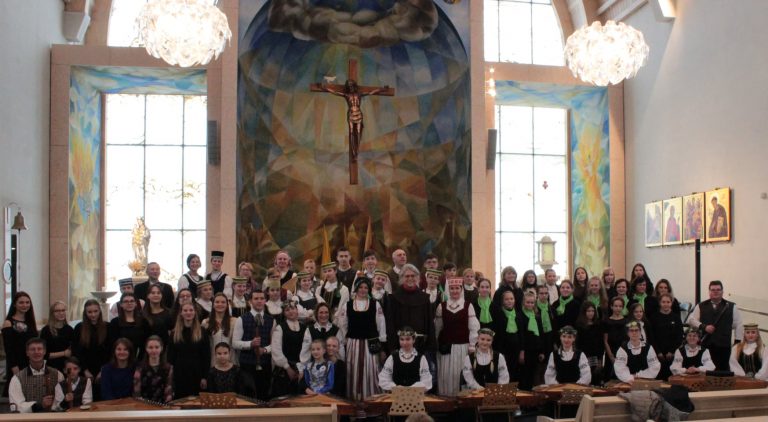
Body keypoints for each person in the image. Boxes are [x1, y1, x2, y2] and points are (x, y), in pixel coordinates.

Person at [337, 278, 386, 400]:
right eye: (360, 287)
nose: (363, 290)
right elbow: (342, 323)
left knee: (371, 370)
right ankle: (354, 399)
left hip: (371, 344)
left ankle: (371, 399)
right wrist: (346, 338)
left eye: (366, 288)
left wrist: (382, 343)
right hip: (353, 343)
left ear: (369, 289)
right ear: (356, 289)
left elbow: (381, 324)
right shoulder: (348, 305)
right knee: (352, 370)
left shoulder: (375, 304)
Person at [435, 277, 479, 396]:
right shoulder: (441, 306)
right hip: (446, 348)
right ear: (448, 290)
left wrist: (472, 345)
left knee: (461, 373)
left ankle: (461, 400)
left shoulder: (468, 306)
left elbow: (473, 328)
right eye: (452, 288)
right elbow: (437, 327)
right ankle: (446, 400)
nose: (454, 291)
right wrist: (435, 342)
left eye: (457, 288)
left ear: (461, 289)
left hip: (462, 347)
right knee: (445, 374)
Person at [688, 280, 743, 371]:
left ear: (722, 291)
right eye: (713, 290)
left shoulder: (732, 306)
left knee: (723, 372)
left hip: (724, 346)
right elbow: (691, 320)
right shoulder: (700, 306)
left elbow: (738, 324)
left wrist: (737, 343)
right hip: (706, 346)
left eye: (718, 289)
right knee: (705, 372)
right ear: (709, 291)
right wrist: (704, 327)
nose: (715, 292)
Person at [232, 290, 275, 401]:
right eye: (256, 299)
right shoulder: (241, 319)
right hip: (247, 365)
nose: (259, 301)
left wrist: (264, 350)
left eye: (261, 298)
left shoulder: (271, 320)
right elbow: (235, 343)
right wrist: (250, 344)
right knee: (248, 396)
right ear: (250, 301)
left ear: (265, 300)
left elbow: (275, 344)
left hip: (265, 364)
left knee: (263, 396)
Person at [386, 264, 436, 356]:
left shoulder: (425, 298)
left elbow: (430, 323)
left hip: (420, 345)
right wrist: (392, 347)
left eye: (413, 276)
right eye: (407, 276)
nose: (410, 278)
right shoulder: (393, 298)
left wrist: (430, 345)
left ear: (418, 278)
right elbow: (390, 324)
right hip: (399, 344)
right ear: (401, 278)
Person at [9, 338, 63, 413]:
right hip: (29, 418)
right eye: (32, 349)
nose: (36, 352)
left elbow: (61, 402)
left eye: (39, 349)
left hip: (53, 417)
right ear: (27, 353)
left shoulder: (57, 374)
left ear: (44, 351)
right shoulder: (17, 378)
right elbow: (16, 406)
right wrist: (40, 405)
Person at [168, 303, 210, 398]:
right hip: (179, 373)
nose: (188, 313)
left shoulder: (202, 331)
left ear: (195, 313)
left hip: (197, 372)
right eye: (185, 310)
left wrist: (204, 377)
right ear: (181, 313)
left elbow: (206, 356)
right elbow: (170, 357)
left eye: (191, 310)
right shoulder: (174, 333)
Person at [3, 292, 39, 396]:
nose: (25, 305)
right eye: (21, 302)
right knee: (16, 393)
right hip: (16, 364)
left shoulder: (30, 321)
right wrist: (15, 368)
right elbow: (9, 349)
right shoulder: (8, 323)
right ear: (14, 304)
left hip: (31, 362)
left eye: (27, 302)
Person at [271, 302, 309, 397]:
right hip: (284, 370)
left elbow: (307, 350)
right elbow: (276, 350)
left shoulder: (305, 328)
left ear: (297, 310)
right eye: (287, 310)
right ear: (284, 313)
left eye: (292, 308)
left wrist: (301, 369)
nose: (291, 311)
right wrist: (287, 368)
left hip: (301, 368)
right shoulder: (280, 328)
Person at [378, 327, 432, 392]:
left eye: (408, 339)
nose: (404, 343)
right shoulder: (392, 357)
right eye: (402, 339)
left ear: (413, 340)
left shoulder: (421, 358)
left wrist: (411, 389)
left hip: (414, 395)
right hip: (396, 395)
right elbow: (383, 379)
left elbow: (427, 382)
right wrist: (396, 387)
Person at [73, 299, 110, 381]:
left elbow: (110, 351)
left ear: (100, 311)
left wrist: (102, 370)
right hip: (84, 370)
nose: (93, 314)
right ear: (85, 313)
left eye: (95, 311)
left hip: (104, 370)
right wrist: (85, 370)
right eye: (89, 312)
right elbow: (77, 351)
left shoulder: (108, 327)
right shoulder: (79, 328)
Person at [650, 293, 683, 380]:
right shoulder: (654, 317)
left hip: (672, 354)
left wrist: (672, 351)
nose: (666, 304)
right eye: (663, 302)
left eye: (668, 302)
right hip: (657, 354)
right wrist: (658, 352)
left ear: (671, 303)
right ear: (659, 303)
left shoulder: (676, 318)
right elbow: (651, 337)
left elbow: (679, 336)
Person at [493, 290, 523, 384]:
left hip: (516, 351)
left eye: (511, 298)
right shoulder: (499, 314)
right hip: (503, 351)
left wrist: (522, 351)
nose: (509, 301)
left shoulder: (518, 315)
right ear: (502, 301)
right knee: (503, 374)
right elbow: (498, 335)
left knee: (514, 374)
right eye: (506, 299)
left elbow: (521, 334)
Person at [108, 293, 149, 360]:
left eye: (132, 301)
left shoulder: (143, 322)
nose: (129, 303)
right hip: (120, 358)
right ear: (121, 304)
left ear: (136, 304)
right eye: (126, 301)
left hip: (139, 359)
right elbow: (113, 344)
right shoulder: (115, 323)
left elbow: (146, 342)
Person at [133, 336, 173, 403]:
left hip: (162, 405)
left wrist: (167, 405)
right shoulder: (139, 367)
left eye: (157, 347)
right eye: (150, 347)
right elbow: (136, 391)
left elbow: (169, 389)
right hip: (143, 405)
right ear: (146, 349)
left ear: (161, 348)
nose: (154, 350)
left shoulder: (168, 368)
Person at [519, 291, 545, 390]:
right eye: (528, 302)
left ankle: (530, 395)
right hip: (526, 350)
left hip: (535, 349)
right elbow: (521, 335)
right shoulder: (520, 316)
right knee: (524, 374)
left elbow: (541, 334)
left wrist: (541, 351)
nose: (530, 304)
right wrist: (522, 351)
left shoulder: (537, 316)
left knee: (532, 374)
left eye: (532, 302)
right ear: (523, 302)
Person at [202, 293, 237, 365]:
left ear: (227, 305)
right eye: (217, 302)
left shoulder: (235, 321)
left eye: (223, 302)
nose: (220, 304)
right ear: (213, 305)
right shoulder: (206, 323)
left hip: (231, 360)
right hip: (213, 361)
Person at [40, 301, 73, 372]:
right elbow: (43, 354)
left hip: (67, 367)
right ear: (52, 313)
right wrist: (64, 353)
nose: (61, 313)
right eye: (57, 311)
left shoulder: (69, 329)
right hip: (51, 367)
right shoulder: (46, 330)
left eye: (63, 310)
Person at [575, 302, 604, 383]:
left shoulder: (598, 324)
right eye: (588, 311)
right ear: (584, 312)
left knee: (596, 378)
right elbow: (578, 343)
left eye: (592, 311)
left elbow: (600, 343)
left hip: (596, 356)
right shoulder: (579, 325)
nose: (591, 313)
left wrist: (600, 359)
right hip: (584, 356)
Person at [602, 296, 628, 382]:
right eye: (616, 306)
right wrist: (611, 356)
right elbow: (605, 340)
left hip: (624, 352)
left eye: (620, 306)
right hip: (611, 351)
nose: (618, 308)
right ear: (611, 306)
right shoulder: (606, 321)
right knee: (609, 377)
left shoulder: (626, 321)